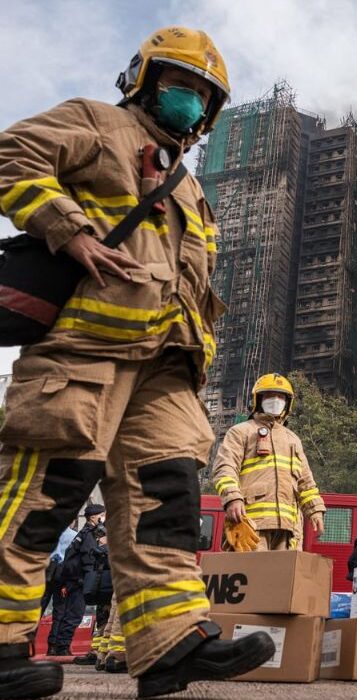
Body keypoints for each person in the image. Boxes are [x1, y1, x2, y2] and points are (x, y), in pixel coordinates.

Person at [0, 26, 276, 699]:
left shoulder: (190, 187)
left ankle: (169, 642)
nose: (191, 101)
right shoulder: (98, 123)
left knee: (168, 501)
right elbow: (12, 153)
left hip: (166, 367)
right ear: (143, 81)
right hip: (87, 350)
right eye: (180, 84)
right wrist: (69, 229)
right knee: (44, 495)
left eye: (203, 94)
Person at [211, 373, 326, 551]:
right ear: (258, 400)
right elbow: (225, 468)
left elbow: (306, 482)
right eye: (270, 395)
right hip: (251, 524)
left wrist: (315, 509)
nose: (275, 400)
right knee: (252, 569)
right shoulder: (241, 432)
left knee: (284, 570)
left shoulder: (293, 439)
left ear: (288, 403)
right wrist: (232, 498)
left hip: (288, 528)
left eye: (280, 397)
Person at [46, 505, 106, 657]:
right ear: (93, 517)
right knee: (75, 615)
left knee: (67, 613)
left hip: (74, 579)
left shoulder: (82, 534)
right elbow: (89, 558)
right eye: (102, 515)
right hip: (80, 580)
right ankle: (62, 647)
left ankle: (58, 646)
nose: (104, 518)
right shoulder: (89, 534)